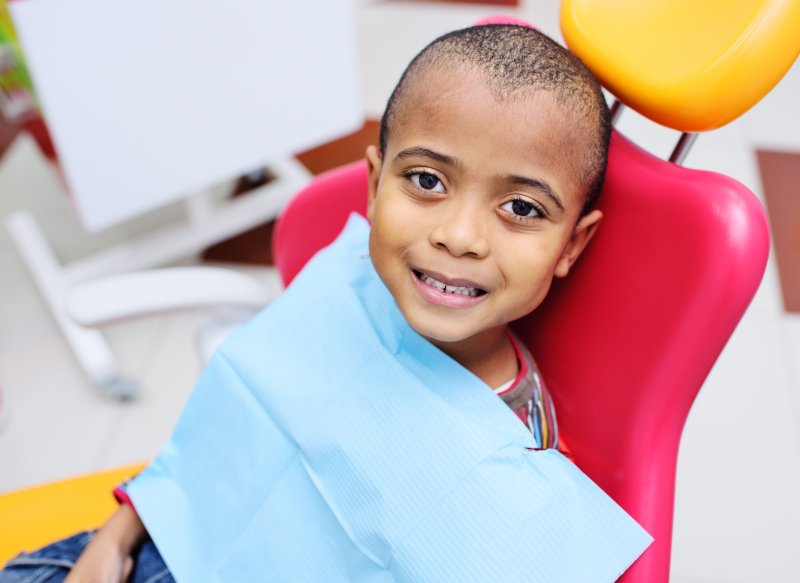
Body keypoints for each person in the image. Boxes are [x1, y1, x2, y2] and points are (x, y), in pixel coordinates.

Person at [1, 21, 624, 582]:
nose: (458, 237)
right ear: (376, 185)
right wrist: (117, 539)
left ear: (571, 244)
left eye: (521, 208)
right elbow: (224, 430)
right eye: (427, 181)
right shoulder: (344, 285)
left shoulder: (514, 441)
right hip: (157, 541)